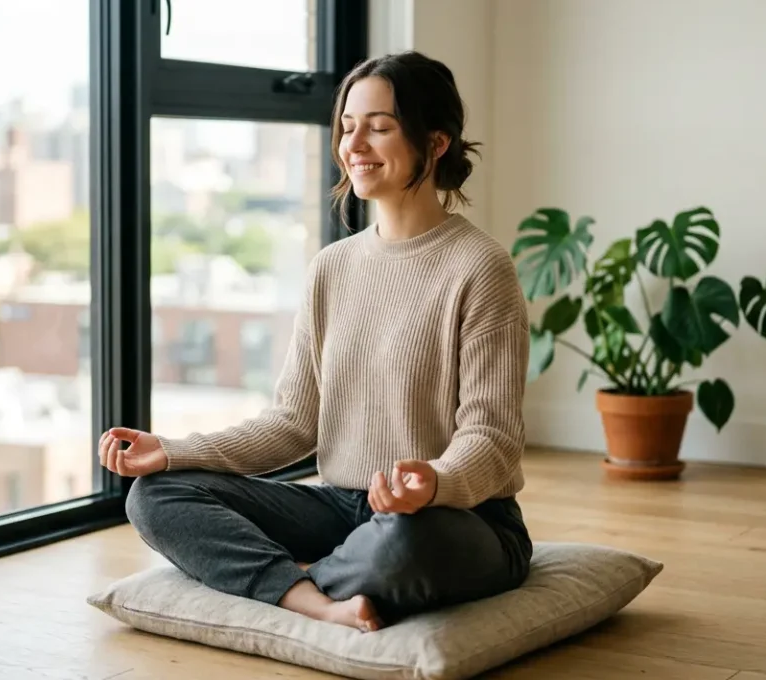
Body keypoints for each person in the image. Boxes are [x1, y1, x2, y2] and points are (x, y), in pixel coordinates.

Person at [99, 51, 532, 633]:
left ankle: (279, 578)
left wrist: (433, 482)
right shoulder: (331, 268)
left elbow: (493, 439)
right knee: (154, 496)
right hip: (344, 507)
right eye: (347, 127)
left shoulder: (481, 268)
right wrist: (175, 451)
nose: (354, 145)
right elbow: (293, 423)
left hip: (453, 517)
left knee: (403, 545)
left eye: (379, 127)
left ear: (436, 143)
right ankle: (316, 598)